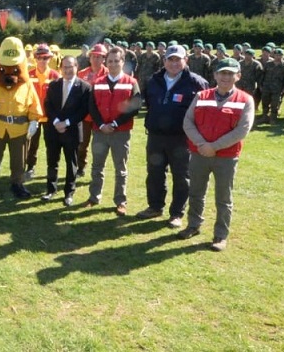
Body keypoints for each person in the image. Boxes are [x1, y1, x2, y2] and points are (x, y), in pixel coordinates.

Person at [178, 58, 255, 252]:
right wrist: (202, 144)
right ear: (215, 75)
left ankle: (220, 235)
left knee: (223, 197)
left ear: (238, 76)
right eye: (222, 73)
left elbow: (242, 130)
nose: (226, 77)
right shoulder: (202, 96)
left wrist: (215, 146)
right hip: (199, 154)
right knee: (196, 192)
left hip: (226, 157)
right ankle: (193, 225)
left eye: (230, 73)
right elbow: (188, 122)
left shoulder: (245, 100)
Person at [137, 44, 209, 227]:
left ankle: (177, 213)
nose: (174, 63)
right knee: (154, 173)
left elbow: (204, 112)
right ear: (164, 61)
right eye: (171, 59)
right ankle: (154, 207)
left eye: (178, 59)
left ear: (186, 60)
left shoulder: (197, 83)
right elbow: (149, 104)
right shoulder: (154, 80)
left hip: (181, 139)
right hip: (156, 137)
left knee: (181, 176)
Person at [0, 37, 43, 199]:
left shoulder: (27, 85)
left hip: (19, 129)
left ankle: (17, 184)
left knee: (19, 161)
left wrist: (34, 120)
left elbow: (34, 105)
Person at [85, 47, 142, 216]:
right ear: (105, 62)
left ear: (123, 62)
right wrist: (102, 124)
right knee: (97, 166)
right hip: (100, 131)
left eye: (117, 61)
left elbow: (135, 106)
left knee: (120, 168)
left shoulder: (131, 82)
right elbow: (92, 106)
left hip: (121, 132)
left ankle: (120, 201)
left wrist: (116, 123)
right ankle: (94, 197)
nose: (113, 64)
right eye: (110, 61)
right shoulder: (98, 82)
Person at [41, 55, 91, 206]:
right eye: (65, 67)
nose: (68, 70)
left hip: (72, 131)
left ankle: (69, 193)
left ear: (77, 67)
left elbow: (83, 110)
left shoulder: (84, 87)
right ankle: (50, 190)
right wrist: (56, 122)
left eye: (71, 66)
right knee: (52, 161)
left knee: (71, 163)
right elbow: (48, 105)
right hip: (53, 130)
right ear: (61, 68)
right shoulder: (54, 84)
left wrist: (66, 123)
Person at [25, 43, 60, 179]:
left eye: (45, 58)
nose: (42, 61)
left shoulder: (55, 75)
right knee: (32, 145)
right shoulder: (29, 75)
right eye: (39, 58)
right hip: (34, 116)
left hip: (50, 117)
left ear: (50, 59)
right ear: (35, 58)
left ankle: (51, 169)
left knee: (51, 145)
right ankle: (30, 167)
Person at [76, 44, 108, 176]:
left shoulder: (108, 74)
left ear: (103, 59)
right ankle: (80, 167)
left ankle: (98, 170)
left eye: (99, 57)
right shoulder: (82, 74)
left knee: (100, 146)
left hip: (101, 116)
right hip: (85, 116)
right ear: (90, 58)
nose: (95, 59)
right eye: (93, 56)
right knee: (82, 144)